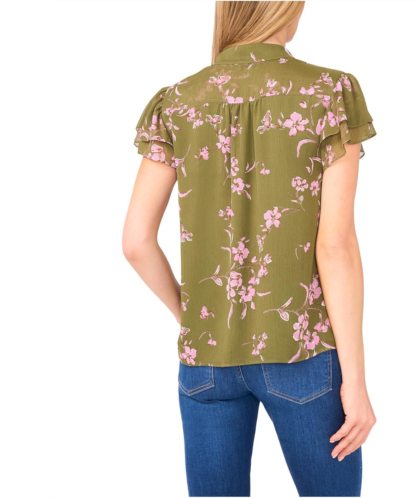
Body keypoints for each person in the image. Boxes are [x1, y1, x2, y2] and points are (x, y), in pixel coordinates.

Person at [123, 1, 377, 496]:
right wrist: (356, 382)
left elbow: (135, 242)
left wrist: (190, 318)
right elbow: (336, 247)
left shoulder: (176, 102)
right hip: (301, 354)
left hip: (205, 362)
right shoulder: (327, 92)